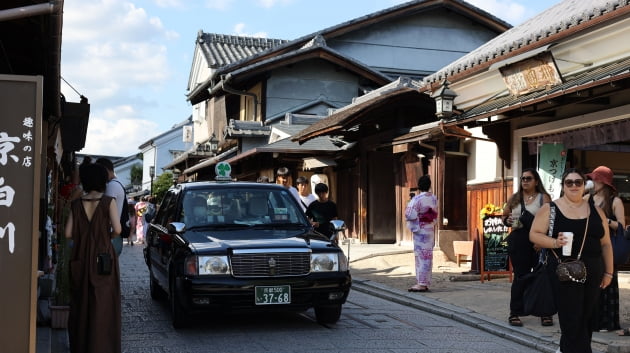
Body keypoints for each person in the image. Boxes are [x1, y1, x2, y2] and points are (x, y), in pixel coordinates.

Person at [530, 168, 614, 353]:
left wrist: (609, 272)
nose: (574, 186)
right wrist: (554, 242)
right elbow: (534, 235)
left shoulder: (597, 211)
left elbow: (606, 244)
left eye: (578, 182)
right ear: (563, 186)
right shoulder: (550, 209)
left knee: (587, 317)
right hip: (564, 271)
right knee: (571, 318)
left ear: (585, 186)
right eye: (569, 182)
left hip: (593, 270)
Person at [64, 161, 121, 353]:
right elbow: (118, 230)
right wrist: (106, 236)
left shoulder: (76, 204)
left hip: (80, 256)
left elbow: (68, 233)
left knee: (81, 304)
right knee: (103, 304)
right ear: (103, 180)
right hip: (103, 258)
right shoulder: (108, 202)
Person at [502, 168, 552, 327]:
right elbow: (504, 215)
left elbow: (550, 220)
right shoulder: (515, 198)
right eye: (523, 178)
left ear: (536, 181)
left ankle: (545, 312)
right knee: (520, 277)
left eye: (529, 178)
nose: (525, 181)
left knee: (542, 277)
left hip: (538, 241)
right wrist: (507, 221)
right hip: (518, 241)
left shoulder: (543, 198)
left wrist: (542, 240)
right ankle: (515, 312)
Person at [585, 166, 625, 333]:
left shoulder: (615, 201)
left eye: (597, 179)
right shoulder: (587, 198)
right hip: (590, 246)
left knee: (607, 282)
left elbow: (621, 226)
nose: (593, 181)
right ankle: (592, 321)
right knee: (591, 282)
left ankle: (607, 322)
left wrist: (604, 220)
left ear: (604, 182)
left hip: (608, 246)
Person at [404, 175, 438, 293]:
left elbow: (409, 214)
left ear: (419, 186)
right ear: (429, 185)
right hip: (430, 229)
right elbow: (434, 214)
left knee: (421, 256)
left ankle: (421, 283)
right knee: (428, 255)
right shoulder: (434, 198)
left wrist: (417, 216)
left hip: (420, 231)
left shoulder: (417, 199)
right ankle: (426, 282)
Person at [95, 157, 126, 256]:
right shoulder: (118, 183)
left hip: (110, 235)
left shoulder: (112, 186)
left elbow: (106, 211)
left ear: (105, 169)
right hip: (114, 235)